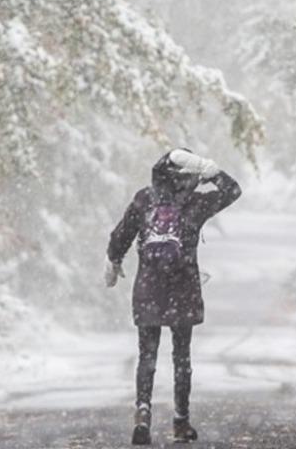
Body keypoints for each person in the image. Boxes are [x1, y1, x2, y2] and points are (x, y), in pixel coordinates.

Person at [104, 148, 242, 445]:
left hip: (149, 289)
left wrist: (113, 261)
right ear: (188, 176)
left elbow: (121, 236)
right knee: (181, 358)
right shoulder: (195, 203)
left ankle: (143, 412)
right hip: (183, 289)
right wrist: (210, 169)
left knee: (147, 355)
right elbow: (233, 190)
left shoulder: (144, 200)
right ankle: (181, 421)